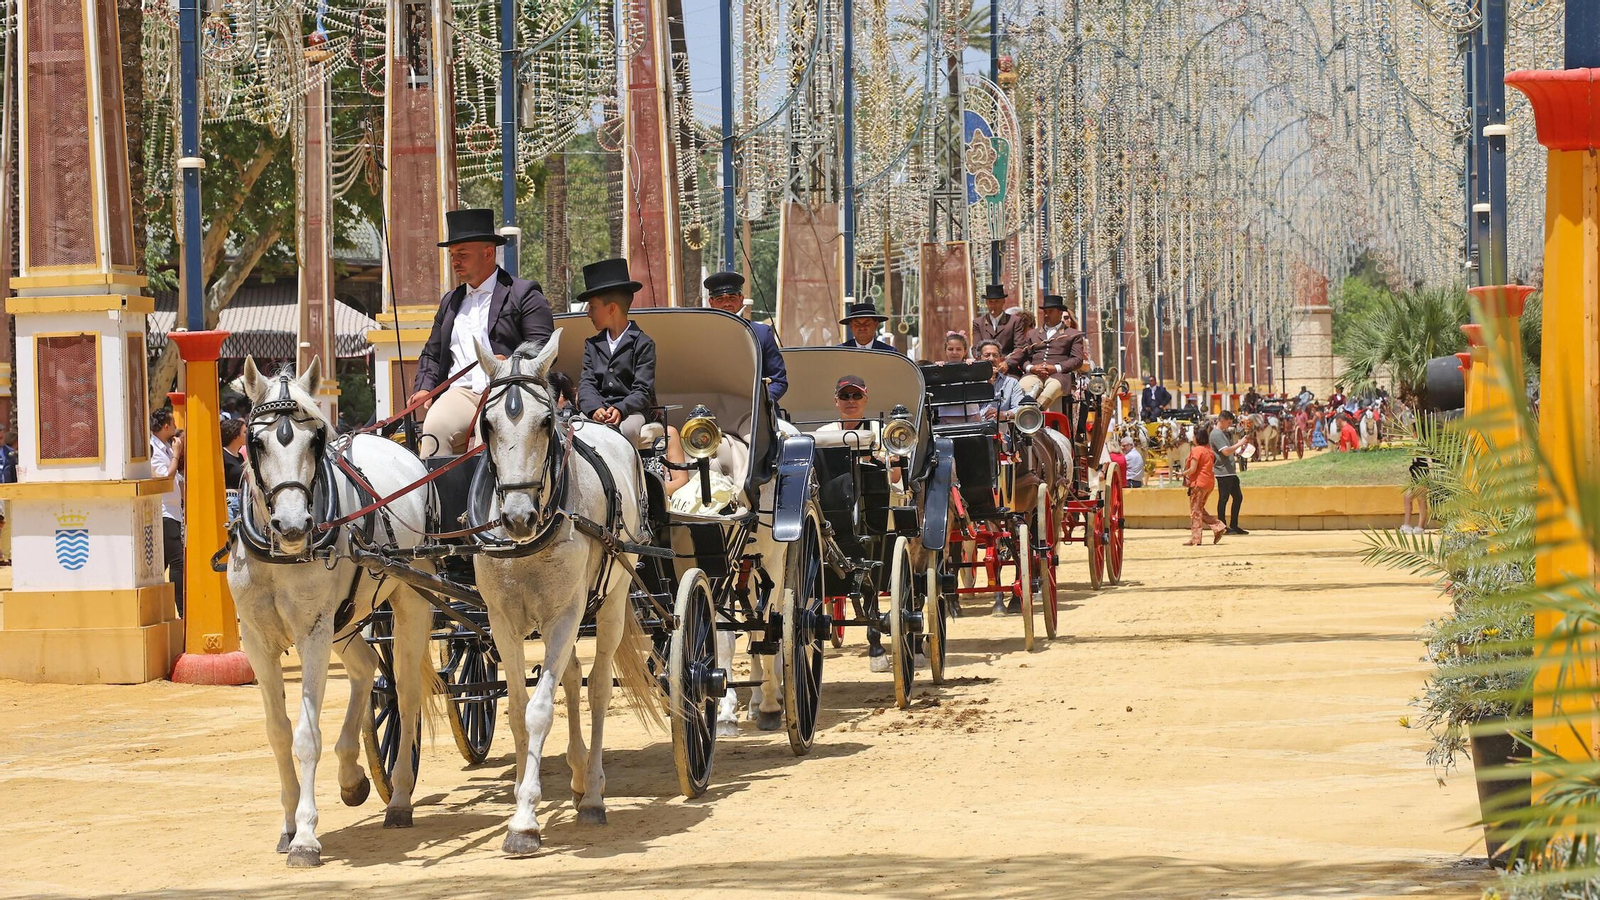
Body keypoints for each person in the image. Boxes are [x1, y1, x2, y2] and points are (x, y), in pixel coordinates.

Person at [409, 208, 556, 457]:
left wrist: (512, 362)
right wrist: (424, 387)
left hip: (508, 390)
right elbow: (432, 354)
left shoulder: (524, 294)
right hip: (460, 392)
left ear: (488, 253)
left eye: (462, 254)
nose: (455, 261)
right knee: (434, 429)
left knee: (485, 432)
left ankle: (485, 497)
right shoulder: (450, 302)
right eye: (452, 254)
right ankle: (435, 497)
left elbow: (543, 348)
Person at [577, 258, 656, 446]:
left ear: (612, 308)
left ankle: (632, 474)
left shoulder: (643, 344)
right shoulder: (592, 345)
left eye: (593, 307)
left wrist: (620, 409)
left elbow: (643, 390)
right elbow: (586, 384)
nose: (589, 314)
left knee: (628, 429)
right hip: (599, 410)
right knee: (578, 428)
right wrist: (594, 407)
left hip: (630, 412)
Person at [704, 271, 788, 405]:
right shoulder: (704, 337)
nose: (727, 304)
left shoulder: (761, 334)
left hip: (757, 412)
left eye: (732, 298)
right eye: (720, 299)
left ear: (741, 299)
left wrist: (762, 402)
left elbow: (779, 380)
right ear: (711, 302)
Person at [1007, 292, 1086, 409]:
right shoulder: (1032, 334)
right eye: (1045, 312)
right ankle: (1025, 414)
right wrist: (1031, 368)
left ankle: (1036, 411)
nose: (1047, 315)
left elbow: (1077, 359)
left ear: (1060, 313)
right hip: (1034, 374)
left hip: (1059, 376)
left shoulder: (1073, 334)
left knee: (1052, 389)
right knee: (1023, 386)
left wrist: (1056, 368)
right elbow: (1024, 357)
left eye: (1051, 311)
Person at [150, 408, 186, 615]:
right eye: (172, 425)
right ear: (166, 427)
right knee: (177, 562)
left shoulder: (163, 446)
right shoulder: (155, 450)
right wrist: (177, 455)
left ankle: (158, 608)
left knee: (160, 565)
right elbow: (166, 478)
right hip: (164, 513)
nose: (174, 429)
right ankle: (182, 611)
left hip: (173, 512)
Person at [1181, 423, 1226, 546]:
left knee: (1195, 512)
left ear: (1197, 438)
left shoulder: (1197, 450)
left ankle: (1197, 538)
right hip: (1208, 483)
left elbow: (1192, 469)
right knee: (1199, 509)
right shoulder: (1209, 450)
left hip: (1198, 484)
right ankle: (1217, 526)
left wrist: (1182, 474)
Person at [1211, 410, 1250, 535]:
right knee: (1224, 499)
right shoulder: (1216, 434)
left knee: (1237, 497)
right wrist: (1240, 443)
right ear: (1222, 420)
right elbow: (1226, 452)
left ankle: (1233, 525)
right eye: (1228, 422)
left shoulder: (1221, 433)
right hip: (1223, 472)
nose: (1229, 425)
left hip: (1229, 471)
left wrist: (1239, 447)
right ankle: (1222, 526)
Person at [977, 340, 1026, 422]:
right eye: (987, 355)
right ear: (978, 358)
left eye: (995, 355)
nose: (991, 359)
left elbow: (1020, 408)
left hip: (1000, 429)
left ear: (1001, 358)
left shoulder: (1011, 383)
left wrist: (1003, 415)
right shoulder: (971, 383)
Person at [971, 283, 1025, 357]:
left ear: (1003, 301)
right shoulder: (978, 322)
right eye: (990, 302)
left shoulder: (1014, 321)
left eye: (996, 301)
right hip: (986, 363)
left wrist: (1007, 363)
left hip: (1007, 364)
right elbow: (976, 348)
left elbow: (1019, 347)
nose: (993, 305)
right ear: (986, 303)